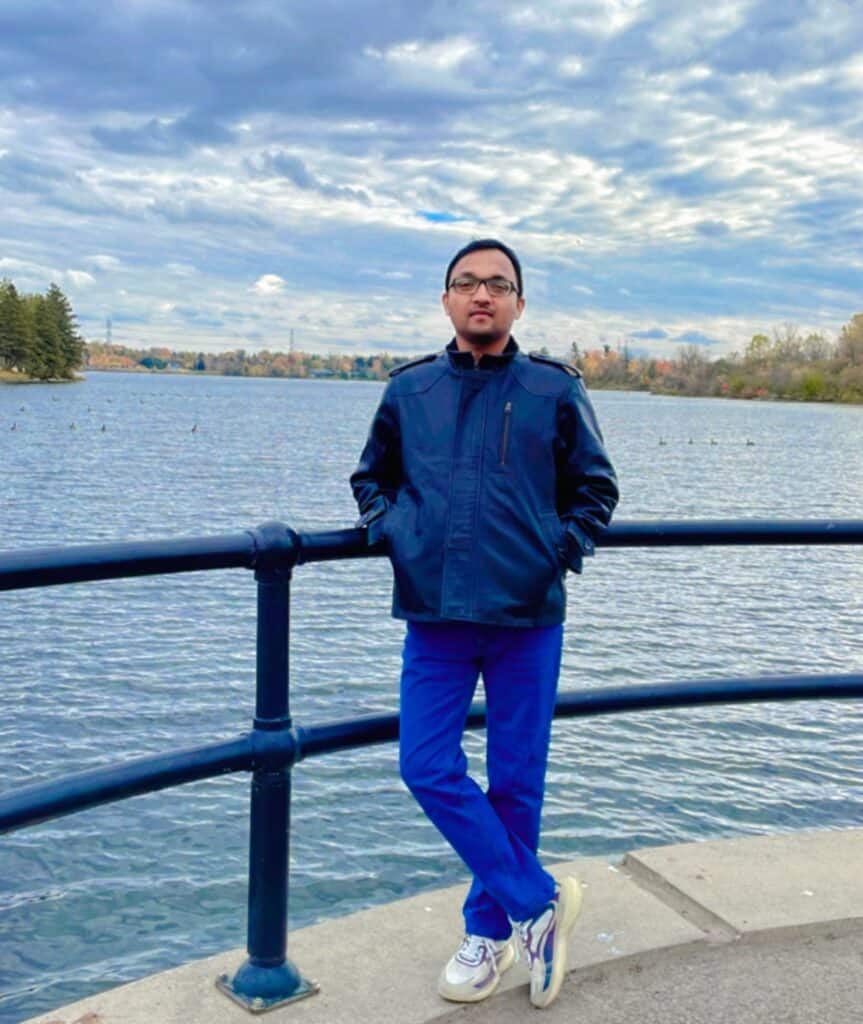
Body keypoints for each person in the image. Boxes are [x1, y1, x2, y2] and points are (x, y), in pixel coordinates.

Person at [350, 239, 618, 1009]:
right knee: (424, 765)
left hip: (526, 615)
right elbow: (371, 478)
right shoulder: (410, 391)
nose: (481, 295)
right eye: (466, 283)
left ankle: (489, 934)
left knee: (515, 783)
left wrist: (553, 553)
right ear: (445, 300)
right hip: (433, 615)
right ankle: (537, 902)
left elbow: (595, 490)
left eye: (497, 284)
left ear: (518, 304)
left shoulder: (552, 391)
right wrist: (395, 531)